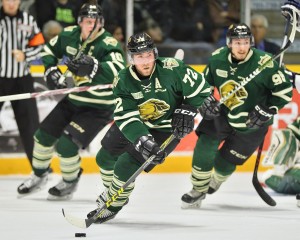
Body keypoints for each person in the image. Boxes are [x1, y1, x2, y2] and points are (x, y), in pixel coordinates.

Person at [86, 32, 211, 223]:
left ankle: (113, 203)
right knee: (104, 159)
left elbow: (202, 88)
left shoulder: (173, 68)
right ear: (131, 58)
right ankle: (117, 191)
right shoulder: (123, 80)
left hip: (166, 129)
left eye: (148, 55)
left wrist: (188, 108)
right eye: (139, 56)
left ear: (155, 53)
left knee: (125, 165)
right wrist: (141, 138)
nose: (145, 61)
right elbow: (125, 115)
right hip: (137, 124)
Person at [17, 2, 126, 200]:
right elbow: (48, 51)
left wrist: (94, 67)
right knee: (42, 136)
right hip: (74, 100)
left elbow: (119, 70)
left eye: (95, 21)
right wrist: (51, 70)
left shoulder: (108, 43)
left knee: (66, 146)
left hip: (98, 107)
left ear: (101, 23)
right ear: (79, 22)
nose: (91, 25)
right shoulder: (69, 35)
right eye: (87, 21)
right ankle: (39, 175)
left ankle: (69, 182)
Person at [181, 23, 293, 209]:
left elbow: (284, 91)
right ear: (229, 43)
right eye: (237, 42)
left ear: (251, 42)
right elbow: (204, 85)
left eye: (245, 42)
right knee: (205, 144)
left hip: (253, 122)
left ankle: (216, 180)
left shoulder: (265, 62)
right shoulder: (217, 59)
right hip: (223, 113)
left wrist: (267, 109)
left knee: (225, 163)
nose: (241, 47)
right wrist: (205, 99)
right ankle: (198, 189)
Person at [0, 0, 45, 167]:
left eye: (15, 0)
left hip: (22, 79)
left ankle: (38, 169)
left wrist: (25, 54)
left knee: (30, 126)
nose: (11, 3)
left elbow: (39, 45)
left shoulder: (28, 20)